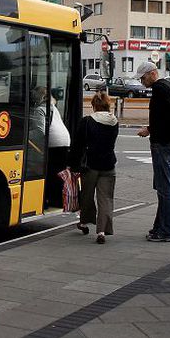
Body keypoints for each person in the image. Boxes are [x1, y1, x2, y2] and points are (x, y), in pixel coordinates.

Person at [136, 61, 170, 242]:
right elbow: (169, 117)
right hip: (169, 142)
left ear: (152, 73)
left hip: (162, 143)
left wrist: (149, 129)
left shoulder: (160, 90)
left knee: (164, 189)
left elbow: (164, 119)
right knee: (163, 188)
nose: (142, 81)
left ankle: (167, 231)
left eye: (143, 77)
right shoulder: (169, 86)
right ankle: (158, 228)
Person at [69, 92, 118, 244]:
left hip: (90, 166)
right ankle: (102, 231)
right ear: (108, 104)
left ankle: (84, 222)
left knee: (87, 196)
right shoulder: (114, 122)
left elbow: (77, 145)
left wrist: (72, 164)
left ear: (94, 105)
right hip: (109, 165)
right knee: (106, 198)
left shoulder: (87, 121)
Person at [45, 96, 71, 209]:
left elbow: (41, 129)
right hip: (65, 139)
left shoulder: (41, 108)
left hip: (54, 141)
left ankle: (46, 200)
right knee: (59, 172)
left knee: (49, 171)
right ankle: (58, 200)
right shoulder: (53, 108)